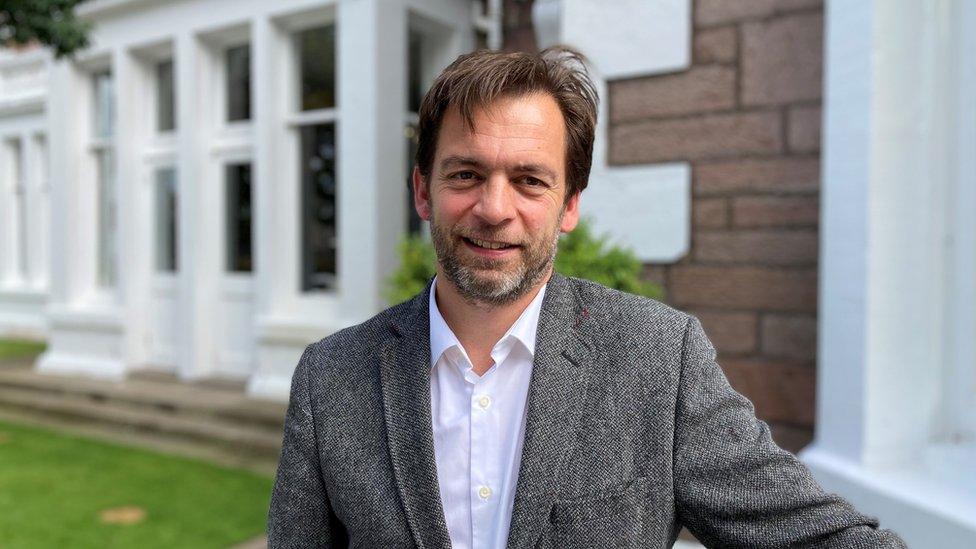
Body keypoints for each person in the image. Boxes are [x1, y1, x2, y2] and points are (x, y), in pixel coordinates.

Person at [267, 46, 905, 548]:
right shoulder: (331, 378)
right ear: (423, 192)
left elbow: (811, 536)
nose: (494, 209)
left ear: (569, 205)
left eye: (529, 181)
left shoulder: (659, 359)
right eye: (466, 174)